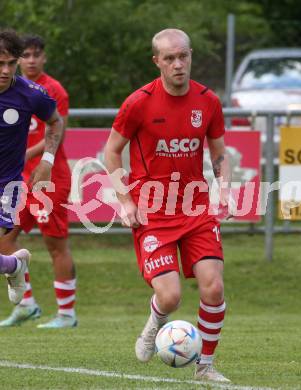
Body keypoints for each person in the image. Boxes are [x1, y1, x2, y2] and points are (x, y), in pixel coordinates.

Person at [104, 29, 232, 383]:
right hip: (153, 211)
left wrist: (225, 189)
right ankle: (153, 326)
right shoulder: (139, 102)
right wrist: (124, 200)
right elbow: (111, 151)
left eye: (183, 56)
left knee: (214, 286)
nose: (178, 64)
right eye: (170, 58)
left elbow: (219, 152)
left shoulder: (208, 101)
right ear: (156, 61)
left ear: (191, 55)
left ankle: (205, 367)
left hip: (196, 208)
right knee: (171, 296)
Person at [0, 34, 77, 329]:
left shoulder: (45, 90)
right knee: (6, 241)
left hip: (48, 178)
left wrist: (43, 160)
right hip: (16, 180)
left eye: (11, 63)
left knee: (55, 243)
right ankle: (26, 302)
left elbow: (58, 125)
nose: (8, 69)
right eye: (26, 56)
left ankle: (67, 313)